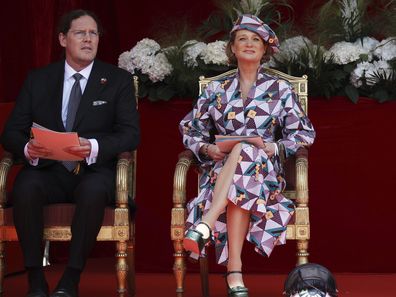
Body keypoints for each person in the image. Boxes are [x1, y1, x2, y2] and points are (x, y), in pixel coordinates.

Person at [1, 9, 139, 297]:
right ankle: (35, 279)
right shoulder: (38, 79)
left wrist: (95, 147)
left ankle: (70, 280)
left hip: (93, 170)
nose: (88, 39)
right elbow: (11, 132)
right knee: (25, 186)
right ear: (63, 39)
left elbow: (130, 134)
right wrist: (28, 148)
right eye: (80, 33)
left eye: (93, 33)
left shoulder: (117, 80)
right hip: (47, 169)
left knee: (93, 191)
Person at [179, 14, 315, 297]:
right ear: (233, 48)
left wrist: (274, 148)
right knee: (242, 153)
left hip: (265, 177)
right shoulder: (216, 91)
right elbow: (190, 129)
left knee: (247, 151)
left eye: (256, 40)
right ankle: (235, 270)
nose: (249, 44)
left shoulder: (281, 90)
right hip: (220, 174)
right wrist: (207, 149)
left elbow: (303, 133)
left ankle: (207, 224)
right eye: (243, 39)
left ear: (265, 50)